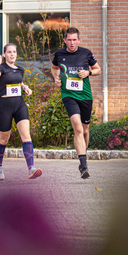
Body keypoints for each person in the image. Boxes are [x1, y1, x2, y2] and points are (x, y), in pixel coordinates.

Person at [51, 27, 101, 179]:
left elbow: (98, 69)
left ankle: (82, 158)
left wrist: (89, 73)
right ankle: (84, 167)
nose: (72, 43)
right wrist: (56, 78)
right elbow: (54, 68)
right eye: (69, 40)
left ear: (79, 40)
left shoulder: (86, 53)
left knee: (85, 130)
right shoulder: (59, 54)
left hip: (85, 95)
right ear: (65, 40)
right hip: (68, 95)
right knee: (77, 128)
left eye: (74, 40)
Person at [0, 43, 42, 181]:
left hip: (19, 104)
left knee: (26, 135)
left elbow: (18, 82)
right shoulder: (2, 68)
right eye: (9, 52)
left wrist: (25, 88)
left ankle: (31, 168)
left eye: (14, 52)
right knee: (4, 138)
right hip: (4, 106)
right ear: (4, 54)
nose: (12, 54)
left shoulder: (20, 69)